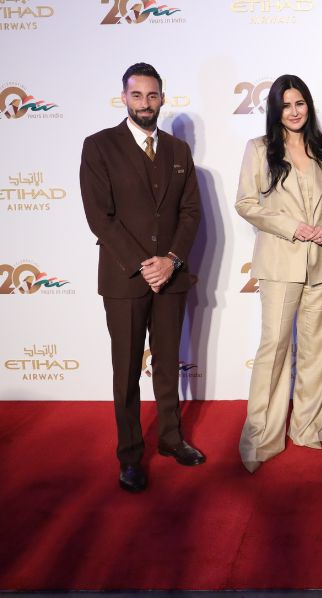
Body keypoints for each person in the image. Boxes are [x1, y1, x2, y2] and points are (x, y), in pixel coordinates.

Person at [79, 62, 204, 493]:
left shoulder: (178, 150)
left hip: (171, 277)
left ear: (162, 99)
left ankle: (171, 438)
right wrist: (143, 263)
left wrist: (170, 260)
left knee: (167, 364)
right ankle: (130, 456)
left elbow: (190, 213)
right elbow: (100, 217)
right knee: (127, 370)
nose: (145, 103)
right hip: (124, 279)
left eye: (152, 96)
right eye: (137, 95)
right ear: (124, 98)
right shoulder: (99, 146)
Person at [236, 75, 322, 473]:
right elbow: (246, 203)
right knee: (275, 350)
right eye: (286, 105)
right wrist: (292, 227)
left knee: (317, 351)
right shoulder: (259, 148)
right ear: (275, 110)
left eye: (300, 103)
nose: (294, 111)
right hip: (281, 262)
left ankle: (306, 428)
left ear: (308, 106)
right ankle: (261, 440)